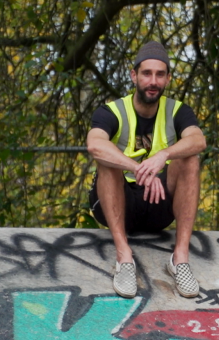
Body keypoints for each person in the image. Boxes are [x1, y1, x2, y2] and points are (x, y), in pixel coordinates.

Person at [86, 41, 206, 298]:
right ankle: (124, 258)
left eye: (160, 74)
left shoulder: (177, 110)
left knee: (190, 158)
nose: (153, 81)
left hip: (158, 205)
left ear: (168, 78)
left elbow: (199, 140)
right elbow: (94, 145)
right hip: (118, 204)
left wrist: (164, 155)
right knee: (107, 160)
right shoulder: (112, 111)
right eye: (147, 73)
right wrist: (139, 168)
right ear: (134, 76)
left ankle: (180, 260)